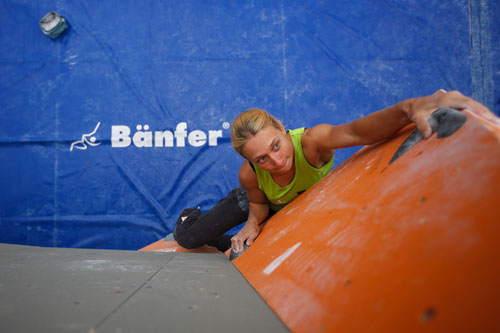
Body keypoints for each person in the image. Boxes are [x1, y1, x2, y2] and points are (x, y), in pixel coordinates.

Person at [173, 90, 494, 254]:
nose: (276, 161)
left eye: (275, 146)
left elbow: (357, 132)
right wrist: (251, 225)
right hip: (255, 203)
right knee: (188, 239)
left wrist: (409, 108)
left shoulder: (312, 143)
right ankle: (192, 216)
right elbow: (257, 203)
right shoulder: (250, 175)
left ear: (283, 129)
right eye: (262, 160)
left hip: (288, 209)